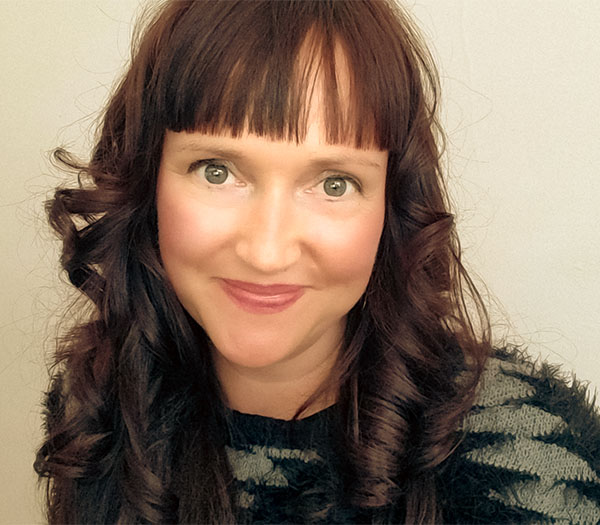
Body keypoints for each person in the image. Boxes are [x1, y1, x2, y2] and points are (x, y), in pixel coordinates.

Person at [34, 1, 600, 523]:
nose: (267, 250)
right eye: (217, 171)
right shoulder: (99, 414)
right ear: (147, 183)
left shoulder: (531, 460)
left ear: (391, 207)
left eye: (334, 183)